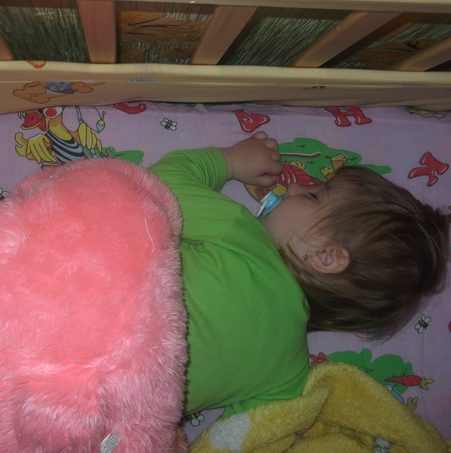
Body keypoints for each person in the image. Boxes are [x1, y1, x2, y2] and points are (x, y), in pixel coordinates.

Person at [148, 131, 450, 417]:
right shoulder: (289, 375)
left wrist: (230, 161)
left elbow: (159, 189)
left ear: (326, 256)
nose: (293, 188)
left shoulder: (242, 236)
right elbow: (249, 431)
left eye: (314, 196)